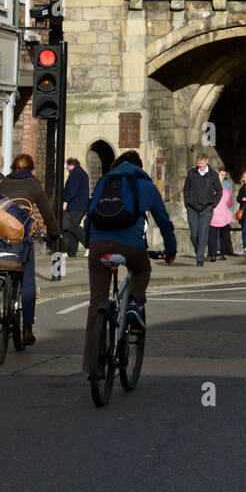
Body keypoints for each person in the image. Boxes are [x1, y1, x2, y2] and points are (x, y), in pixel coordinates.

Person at [82, 151, 176, 376]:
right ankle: (134, 304)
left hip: (98, 244)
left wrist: (90, 243)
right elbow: (163, 220)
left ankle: (92, 365)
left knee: (97, 302)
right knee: (142, 269)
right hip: (131, 246)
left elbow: (90, 213)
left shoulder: (105, 180)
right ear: (139, 166)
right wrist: (170, 249)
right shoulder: (145, 185)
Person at [0, 153, 60, 346]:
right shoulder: (34, 185)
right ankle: (27, 328)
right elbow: (48, 213)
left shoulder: (2, 183)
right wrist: (54, 233)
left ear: (13, 168)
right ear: (31, 169)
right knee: (28, 280)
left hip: (0, 236)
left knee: (4, 266)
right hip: (21, 238)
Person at [182, 151, 222, 266]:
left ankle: (200, 259)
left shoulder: (213, 175)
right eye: (198, 163)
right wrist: (187, 201)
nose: (200, 165)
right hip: (192, 207)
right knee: (195, 234)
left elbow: (219, 191)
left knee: (203, 234)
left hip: (207, 208)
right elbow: (186, 189)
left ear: (206, 162)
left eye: (202, 163)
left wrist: (213, 204)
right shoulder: (192, 173)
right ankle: (198, 250)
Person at [62, 156, 90, 256]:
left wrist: (65, 202)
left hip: (77, 205)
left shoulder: (75, 174)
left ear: (71, 165)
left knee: (72, 225)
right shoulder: (81, 172)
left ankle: (89, 245)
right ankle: (71, 252)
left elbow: (72, 190)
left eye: (67, 167)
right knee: (71, 228)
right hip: (80, 205)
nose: (67, 169)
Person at [209, 171, 234, 261]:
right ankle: (222, 254)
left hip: (213, 216)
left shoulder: (211, 191)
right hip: (223, 216)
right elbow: (230, 203)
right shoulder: (227, 191)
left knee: (212, 236)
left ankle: (212, 254)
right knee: (223, 236)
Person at [218, 168, 236, 256]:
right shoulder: (214, 183)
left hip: (224, 211)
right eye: (221, 174)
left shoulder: (228, 184)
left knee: (223, 232)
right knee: (215, 231)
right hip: (215, 211)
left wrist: (230, 211)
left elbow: (231, 199)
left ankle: (222, 250)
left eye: (224, 175)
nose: (223, 176)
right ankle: (216, 249)